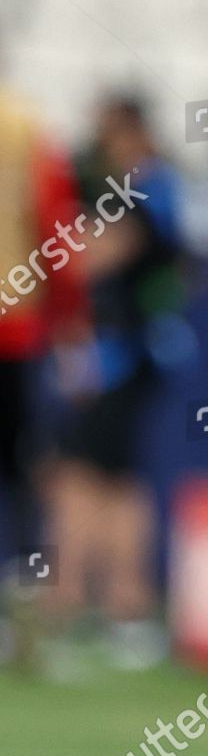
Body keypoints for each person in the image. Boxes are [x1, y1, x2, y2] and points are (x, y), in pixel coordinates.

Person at [46, 95, 187, 667]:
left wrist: (46, 235)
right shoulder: (140, 190)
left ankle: (117, 604)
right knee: (88, 475)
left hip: (127, 359)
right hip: (113, 357)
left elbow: (90, 259)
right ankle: (88, 599)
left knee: (104, 479)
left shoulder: (147, 188)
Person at [0, 83, 88, 667]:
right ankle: (21, 621)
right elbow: (57, 232)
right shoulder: (26, 127)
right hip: (16, 330)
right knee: (23, 473)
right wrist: (72, 326)